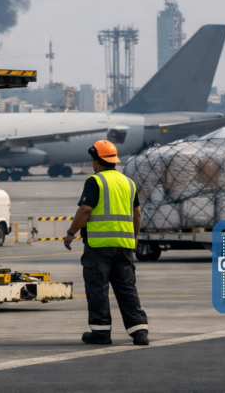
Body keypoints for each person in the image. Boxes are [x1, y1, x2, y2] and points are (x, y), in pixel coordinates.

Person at [63, 140, 149, 346]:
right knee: (127, 287)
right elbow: (137, 214)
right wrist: (134, 237)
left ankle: (101, 332)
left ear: (97, 161)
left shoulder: (95, 181)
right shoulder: (128, 182)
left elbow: (85, 209)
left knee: (97, 288)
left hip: (99, 246)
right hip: (124, 246)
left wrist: (71, 233)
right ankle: (139, 331)